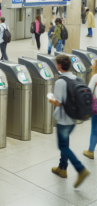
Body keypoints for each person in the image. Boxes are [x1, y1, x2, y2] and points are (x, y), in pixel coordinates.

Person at [49, 55, 89, 188]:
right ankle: (62, 168)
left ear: (59, 66)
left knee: (63, 146)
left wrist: (51, 98)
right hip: (73, 118)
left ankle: (80, 169)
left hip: (63, 120)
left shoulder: (61, 81)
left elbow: (58, 103)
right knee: (65, 143)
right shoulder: (76, 78)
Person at [83, 58, 97, 159]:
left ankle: (90, 151)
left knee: (95, 129)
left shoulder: (95, 77)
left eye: (93, 64)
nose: (92, 66)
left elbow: (89, 91)